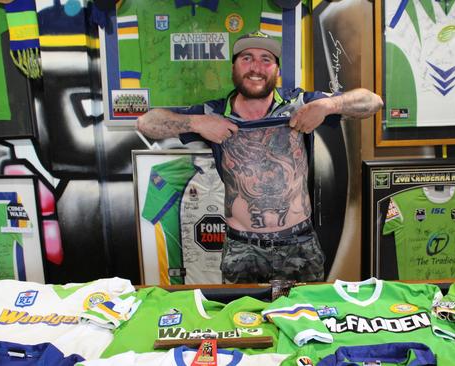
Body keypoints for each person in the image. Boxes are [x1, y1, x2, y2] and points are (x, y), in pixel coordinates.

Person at [136, 30, 383, 283]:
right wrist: (197, 123)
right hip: (242, 250)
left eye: (266, 59)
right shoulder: (214, 112)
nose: (256, 67)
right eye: (247, 58)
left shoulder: (299, 103)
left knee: (301, 318)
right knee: (244, 320)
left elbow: (373, 102)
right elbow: (146, 123)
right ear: (233, 67)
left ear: (276, 70)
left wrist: (328, 105)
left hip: (299, 245)